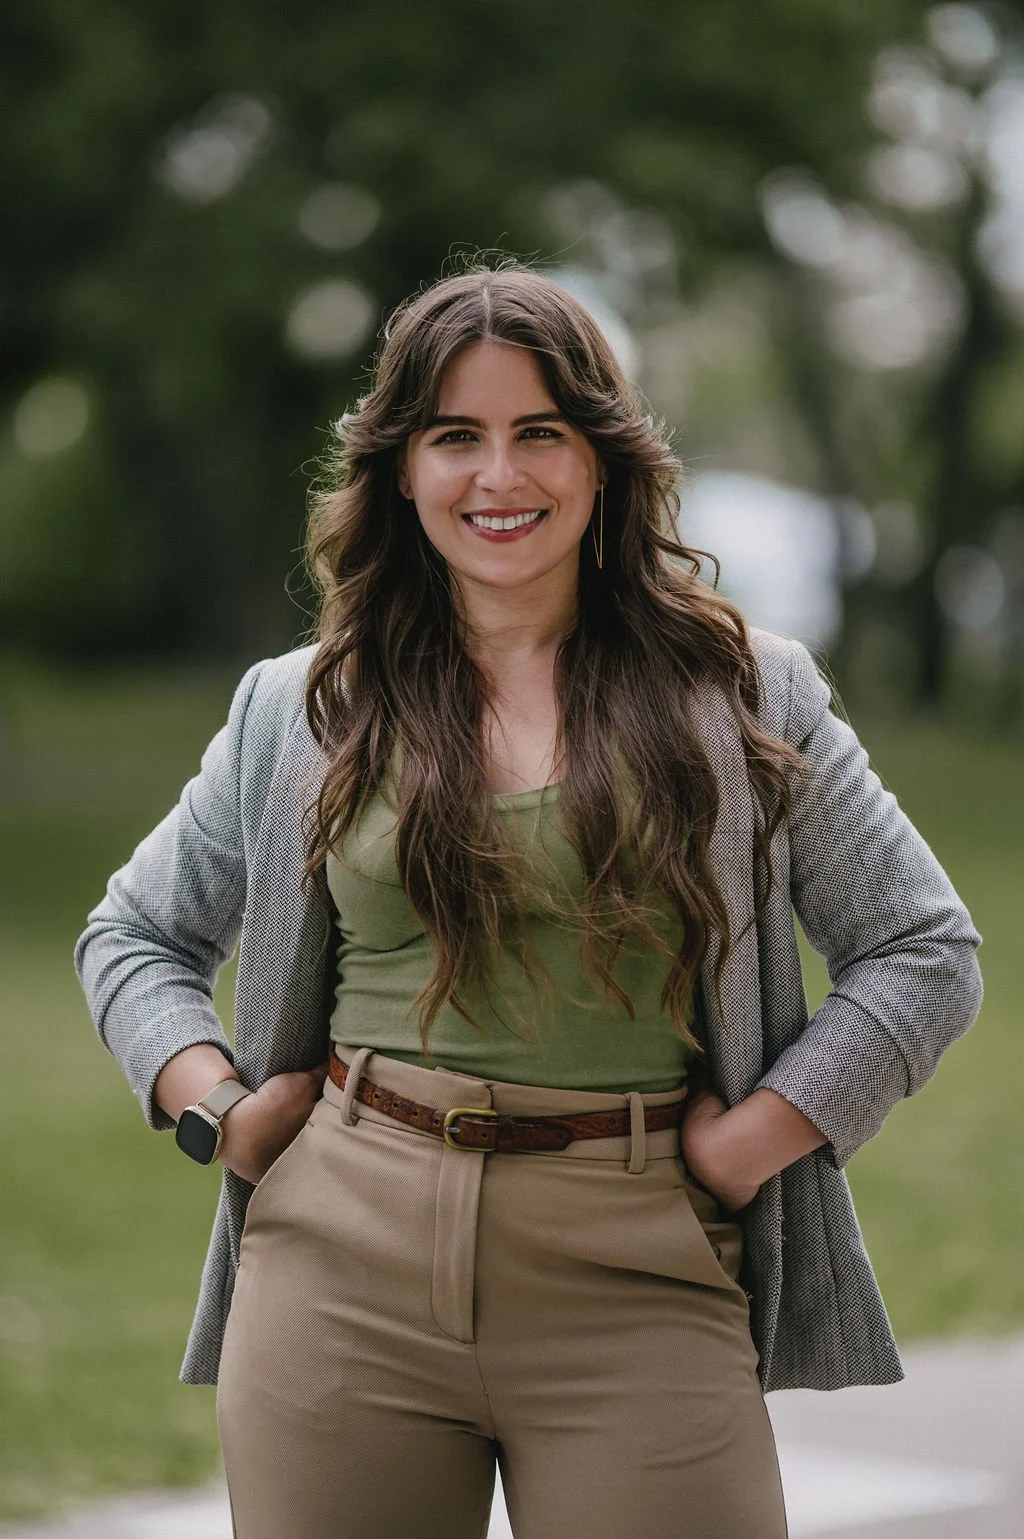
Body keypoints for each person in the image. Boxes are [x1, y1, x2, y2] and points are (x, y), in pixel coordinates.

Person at [74, 261, 983, 1539]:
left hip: (639, 1260)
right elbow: (136, 935)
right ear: (401, 469)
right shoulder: (303, 706)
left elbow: (921, 948)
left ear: (601, 461)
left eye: (538, 434)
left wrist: (758, 1135)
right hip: (343, 1261)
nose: (499, 479)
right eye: (456, 438)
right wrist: (212, 1105)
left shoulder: (743, 695)